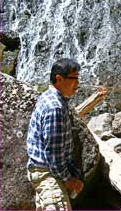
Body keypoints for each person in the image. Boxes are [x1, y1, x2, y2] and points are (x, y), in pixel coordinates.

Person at [27, 58, 84, 210]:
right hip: (48, 175)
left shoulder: (48, 97)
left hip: (43, 172)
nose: (77, 84)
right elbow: (54, 152)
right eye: (74, 78)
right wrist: (68, 179)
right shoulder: (55, 108)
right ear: (59, 79)